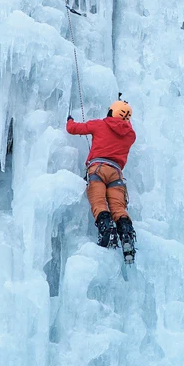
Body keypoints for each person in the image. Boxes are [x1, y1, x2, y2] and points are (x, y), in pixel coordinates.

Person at [67, 98, 136, 254]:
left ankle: (107, 231)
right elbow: (124, 127)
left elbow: (74, 129)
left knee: (99, 202)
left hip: (98, 169)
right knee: (118, 208)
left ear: (111, 112)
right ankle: (126, 235)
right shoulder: (130, 135)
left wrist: (69, 120)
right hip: (116, 175)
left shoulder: (100, 124)